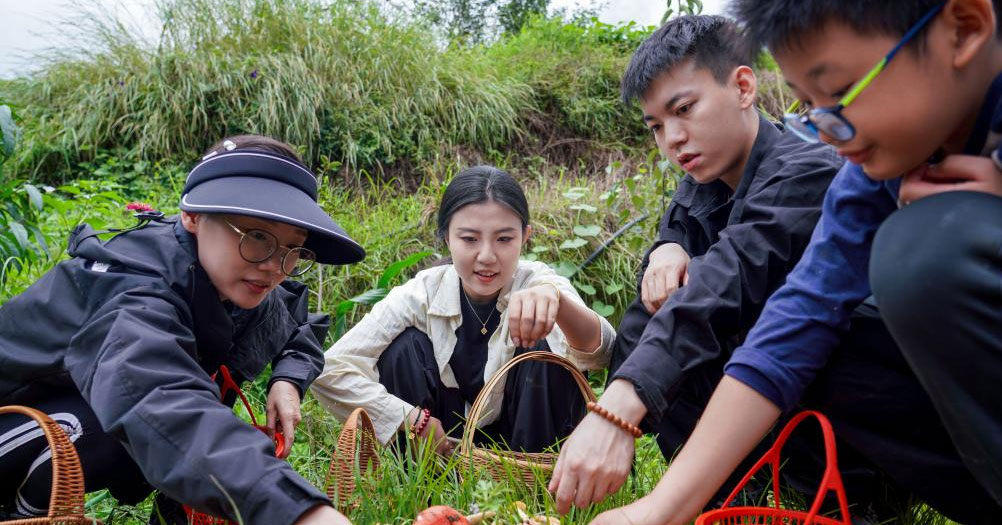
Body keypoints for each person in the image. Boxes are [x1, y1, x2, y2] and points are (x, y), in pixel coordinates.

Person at [583, 1, 1002, 523]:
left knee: (918, 253)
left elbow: (732, 279)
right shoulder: (867, 172)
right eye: (810, 104)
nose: (826, 130)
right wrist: (664, 509)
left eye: (840, 92)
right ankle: (753, 492)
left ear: (964, 28)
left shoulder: (810, 167)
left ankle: (860, 491)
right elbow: (798, 312)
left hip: (898, 393)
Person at [550, 14, 859, 515]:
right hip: (761, 404)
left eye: (684, 109)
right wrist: (663, 250)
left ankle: (813, 492)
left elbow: (722, 285)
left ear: (742, 87)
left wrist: (618, 412)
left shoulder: (805, 172)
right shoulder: (704, 181)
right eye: (656, 126)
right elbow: (674, 268)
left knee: (696, 314)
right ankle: (725, 493)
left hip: (840, 415)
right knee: (647, 318)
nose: (672, 138)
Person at [0, 135, 364, 525]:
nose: (275, 266)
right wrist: (298, 511)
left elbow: (298, 320)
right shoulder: (134, 286)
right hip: (21, 415)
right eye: (257, 236)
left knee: (204, 418)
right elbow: (155, 399)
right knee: (114, 423)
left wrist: (288, 380)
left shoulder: (243, 282)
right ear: (192, 216)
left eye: (294, 249)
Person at [311, 165, 615, 455]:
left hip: (529, 441)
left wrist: (557, 302)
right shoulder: (423, 292)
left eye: (504, 239)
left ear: (526, 237)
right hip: (444, 442)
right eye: (469, 239)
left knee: (544, 347)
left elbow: (602, 354)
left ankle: (536, 489)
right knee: (403, 349)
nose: (486, 256)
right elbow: (330, 368)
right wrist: (408, 417)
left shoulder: (540, 282)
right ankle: (428, 485)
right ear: (447, 238)